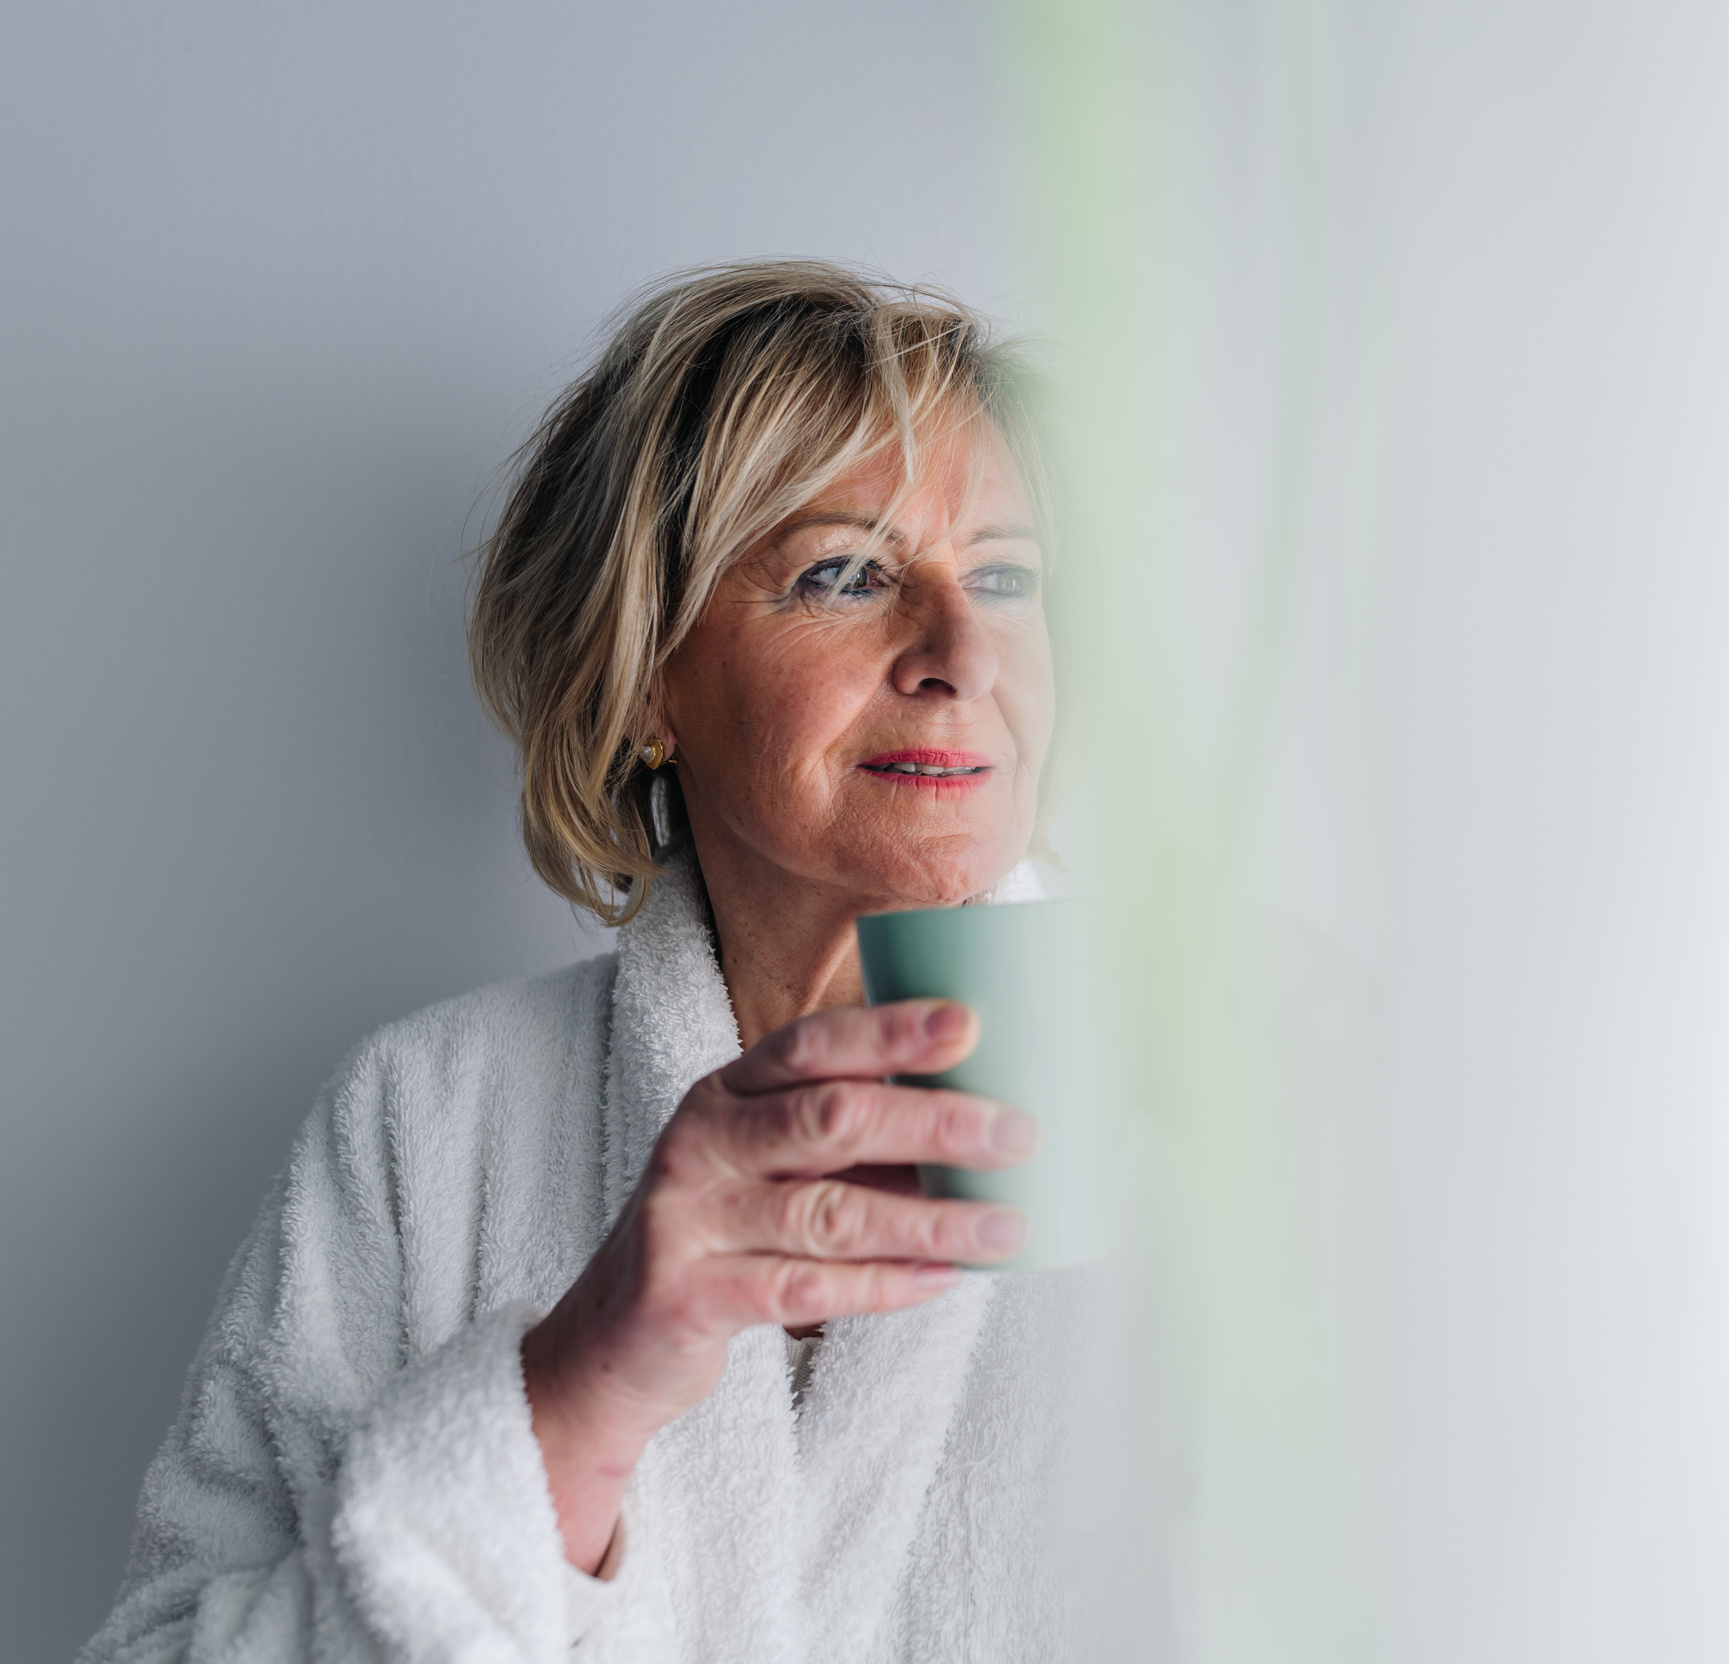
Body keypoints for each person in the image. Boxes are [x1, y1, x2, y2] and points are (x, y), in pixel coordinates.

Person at [81, 262, 1096, 1662]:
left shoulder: (1234, 1100)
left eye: (1006, 576)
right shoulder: (427, 1126)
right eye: (846, 573)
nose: (962, 649)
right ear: (645, 679)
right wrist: (581, 1389)